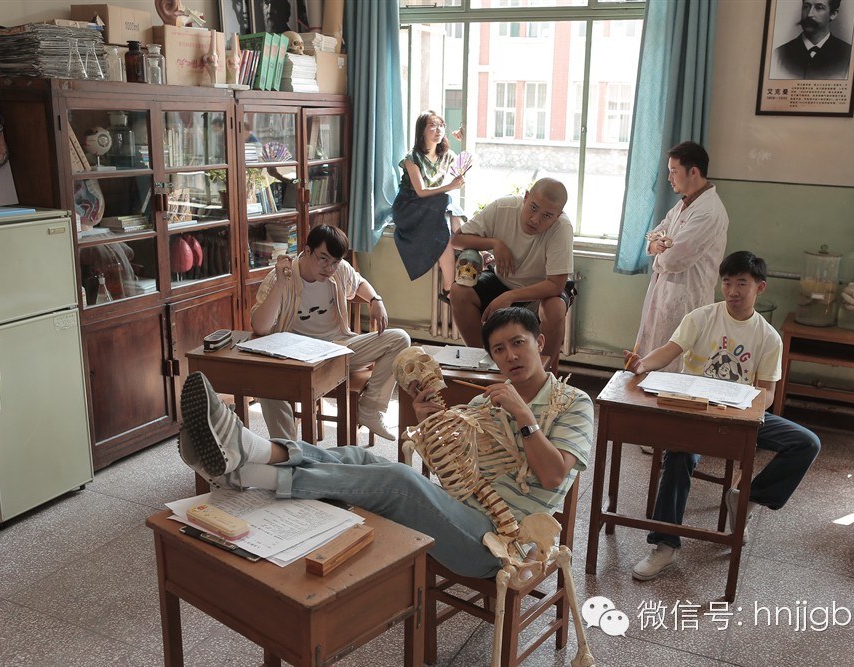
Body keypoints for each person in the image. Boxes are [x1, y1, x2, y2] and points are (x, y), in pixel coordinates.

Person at [177, 307, 594, 578]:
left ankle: (247, 465)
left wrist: (525, 417)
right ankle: (251, 459)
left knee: (399, 480)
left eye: (518, 343)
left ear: (540, 343)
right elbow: (453, 473)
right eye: (499, 349)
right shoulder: (489, 400)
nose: (510, 356)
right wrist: (430, 423)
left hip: (501, 543)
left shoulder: (574, 403)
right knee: (358, 455)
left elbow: (554, 476)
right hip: (461, 514)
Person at [625, 251, 821, 581]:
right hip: (694, 414)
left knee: (806, 443)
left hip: (737, 417)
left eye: (741, 283)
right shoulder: (701, 317)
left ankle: (747, 498)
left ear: (760, 287)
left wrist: (744, 411)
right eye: (727, 283)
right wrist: (642, 364)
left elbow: (767, 393)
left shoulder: (768, 337)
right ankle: (665, 546)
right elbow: (670, 351)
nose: (732, 291)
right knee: (678, 456)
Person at [250, 224, 409, 441]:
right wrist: (280, 285)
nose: (329, 268)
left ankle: (370, 409)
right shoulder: (281, 276)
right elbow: (260, 327)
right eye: (323, 259)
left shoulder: (340, 270)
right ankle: (289, 450)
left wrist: (375, 300)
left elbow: (359, 282)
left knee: (400, 339)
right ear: (307, 251)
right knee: (267, 382)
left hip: (337, 350)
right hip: (296, 359)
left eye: (335, 262)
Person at [450, 178, 575, 374]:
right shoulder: (503, 208)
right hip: (502, 279)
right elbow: (457, 239)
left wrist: (510, 296)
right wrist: (495, 243)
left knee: (555, 309)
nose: (535, 219)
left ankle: (545, 377)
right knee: (459, 292)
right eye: (533, 208)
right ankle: (484, 364)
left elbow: (556, 285)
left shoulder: (562, 228)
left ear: (558, 216)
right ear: (526, 197)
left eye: (547, 216)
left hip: (541, 289)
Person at [634, 141, 729, 374]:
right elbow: (655, 233)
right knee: (654, 360)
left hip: (688, 298)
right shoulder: (683, 205)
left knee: (679, 367)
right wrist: (657, 244)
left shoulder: (708, 211)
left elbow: (674, 260)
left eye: (674, 171)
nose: (669, 178)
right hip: (666, 293)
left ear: (693, 171)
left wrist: (661, 254)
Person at [391, 110, 466, 293]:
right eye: (433, 125)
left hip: (430, 207)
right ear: (422, 131)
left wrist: (463, 138)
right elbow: (421, 191)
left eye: (441, 125)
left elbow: (465, 165)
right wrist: (450, 186)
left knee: (447, 233)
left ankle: (450, 287)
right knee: (446, 199)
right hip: (408, 206)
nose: (438, 129)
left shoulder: (447, 155)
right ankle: (452, 282)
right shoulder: (412, 158)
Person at [772, 0, 852, 80]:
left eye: (819, 8)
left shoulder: (849, 55)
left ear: (833, 14)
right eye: (806, 6)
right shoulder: (779, 54)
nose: (809, 14)